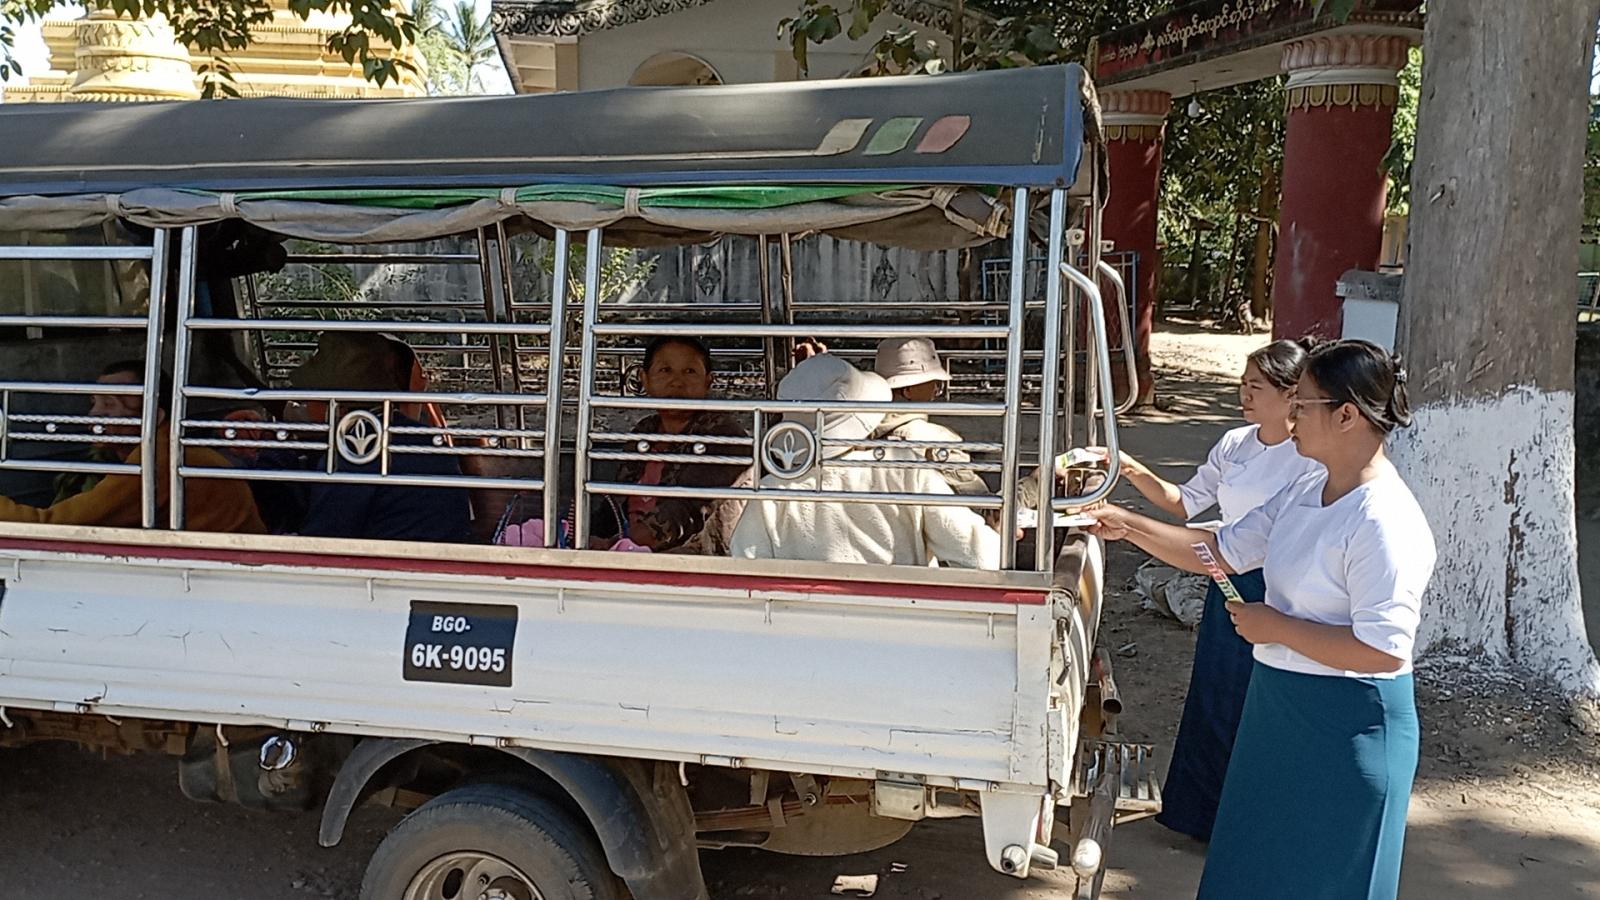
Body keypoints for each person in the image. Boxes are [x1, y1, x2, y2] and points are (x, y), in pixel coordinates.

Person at [1087, 340, 1434, 900]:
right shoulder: (1305, 487)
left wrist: (1276, 628)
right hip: (1277, 705)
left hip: (1349, 723)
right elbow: (1221, 550)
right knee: (1252, 864)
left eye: (1304, 405)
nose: (1291, 417)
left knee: (1326, 879)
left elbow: (1384, 649)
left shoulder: (1384, 519)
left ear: (1347, 415)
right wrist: (1128, 525)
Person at [1107, 338, 1322, 841]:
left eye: (1256, 387)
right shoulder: (1234, 443)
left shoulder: (1308, 459)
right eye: (1242, 384)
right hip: (1225, 576)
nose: (1244, 395)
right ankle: (1202, 815)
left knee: (1259, 702)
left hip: (1277, 587)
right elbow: (1185, 503)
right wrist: (1129, 467)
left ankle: (1252, 820)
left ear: (1291, 394)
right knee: (1214, 694)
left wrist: (1131, 526)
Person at [730, 353, 1000, 568]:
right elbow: (981, 557)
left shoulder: (771, 493)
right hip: (904, 614)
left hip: (803, 619)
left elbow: (746, 569)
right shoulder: (905, 471)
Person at [0, 360, 265, 533]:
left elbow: (54, 525)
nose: (95, 414)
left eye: (110, 404)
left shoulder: (157, 457)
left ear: (155, 417)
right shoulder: (165, 448)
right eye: (94, 402)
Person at [288, 332, 470, 543]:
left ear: (335, 405)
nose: (306, 407)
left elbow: (323, 539)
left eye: (309, 398)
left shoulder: (354, 452)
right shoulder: (420, 438)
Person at [611, 336, 751, 555]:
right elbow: (613, 500)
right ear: (645, 379)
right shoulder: (645, 430)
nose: (677, 381)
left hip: (696, 558)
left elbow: (688, 509)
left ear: (708, 382)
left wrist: (623, 543)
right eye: (665, 370)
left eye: (690, 371)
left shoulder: (724, 435)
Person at [870, 337, 988, 499]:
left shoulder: (857, 432)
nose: (936, 391)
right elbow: (979, 502)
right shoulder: (939, 439)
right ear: (908, 390)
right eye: (933, 383)